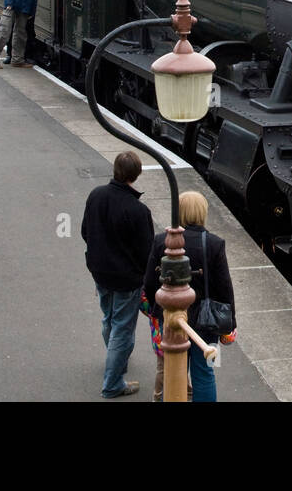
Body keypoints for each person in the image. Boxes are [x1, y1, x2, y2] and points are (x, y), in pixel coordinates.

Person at [142, 191, 235, 403]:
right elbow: (224, 288)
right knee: (205, 374)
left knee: (173, 372)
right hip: (207, 322)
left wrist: (158, 311)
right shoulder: (214, 243)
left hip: (171, 320)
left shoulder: (160, 241)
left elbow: (148, 282)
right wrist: (229, 324)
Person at [80, 151, 154, 399]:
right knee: (122, 328)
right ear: (136, 174)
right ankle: (113, 383)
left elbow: (84, 231)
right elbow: (147, 253)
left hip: (99, 271)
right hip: (126, 279)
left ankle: (117, 360)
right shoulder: (138, 210)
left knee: (108, 318)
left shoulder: (96, 195)